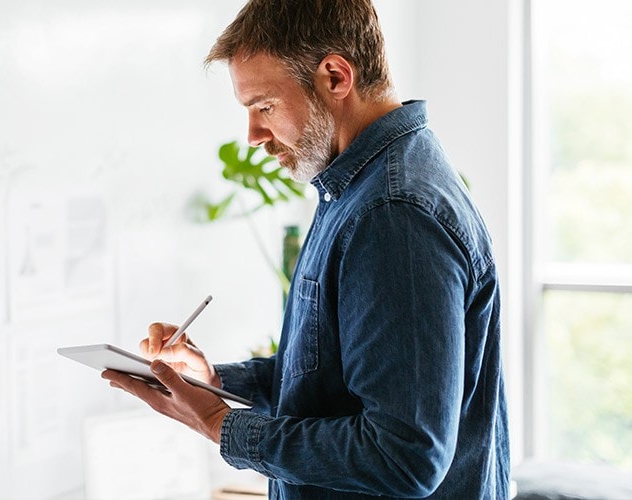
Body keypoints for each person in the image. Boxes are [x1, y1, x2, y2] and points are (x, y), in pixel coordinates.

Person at [102, 0, 511, 497]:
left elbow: (405, 456)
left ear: (336, 76)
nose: (253, 136)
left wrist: (219, 424)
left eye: (264, 107)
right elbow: (335, 382)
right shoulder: (358, 190)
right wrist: (213, 380)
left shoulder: (392, 212)